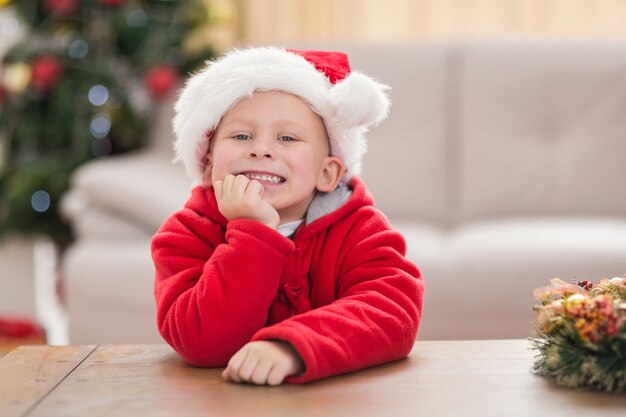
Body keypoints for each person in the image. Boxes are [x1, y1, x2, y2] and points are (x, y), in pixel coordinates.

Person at [151, 47, 425, 386]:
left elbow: (393, 313)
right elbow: (200, 343)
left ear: (327, 173)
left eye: (287, 138)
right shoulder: (185, 234)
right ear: (208, 163)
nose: (261, 149)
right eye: (241, 136)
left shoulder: (361, 229)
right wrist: (252, 233)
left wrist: (292, 346)